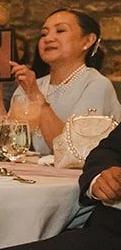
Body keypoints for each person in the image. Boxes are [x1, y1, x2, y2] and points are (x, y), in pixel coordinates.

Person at [7, 9, 121, 156]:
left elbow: (73, 152)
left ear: (87, 41)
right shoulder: (33, 84)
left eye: (60, 31)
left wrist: (35, 96)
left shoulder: (96, 85)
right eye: (44, 34)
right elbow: (9, 143)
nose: (48, 39)